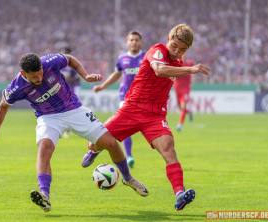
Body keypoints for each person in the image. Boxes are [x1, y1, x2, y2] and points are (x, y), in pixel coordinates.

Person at [0, 52, 148, 213]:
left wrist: (85, 76)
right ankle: (44, 195)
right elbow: (3, 106)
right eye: (34, 77)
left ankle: (127, 178)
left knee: (111, 143)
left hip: (74, 109)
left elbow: (70, 60)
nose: (39, 78)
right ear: (24, 73)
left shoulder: (49, 62)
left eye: (40, 74)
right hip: (48, 117)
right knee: (44, 148)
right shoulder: (17, 87)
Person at [82, 24, 210, 211]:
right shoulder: (156, 50)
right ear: (168, 40)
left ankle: (179, 194)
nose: (176, 52)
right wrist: (191, 70)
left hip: (155, 115)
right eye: (174, 46)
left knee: (169, 149)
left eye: (182, 49)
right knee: (94, 143)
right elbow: (158, 70)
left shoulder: (178, 63)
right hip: (131, 109)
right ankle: (94, 150)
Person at [85, 30, 145, 168]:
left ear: (140, 42)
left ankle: (98, 146)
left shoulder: (147, 58)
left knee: (141, 126)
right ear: (127, 42)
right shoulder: (122, 58)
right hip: (126, 97)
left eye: (136, 40)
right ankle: (128, 155)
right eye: (132, 40)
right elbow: (116, 74)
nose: (134, 42)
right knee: (126, 124)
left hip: (142, 99)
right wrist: (102, 86)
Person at [59, 47, 81, 138]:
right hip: (60, 91)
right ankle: (63, 129)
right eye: (62, 53)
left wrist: (68, 79)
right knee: (61, 110)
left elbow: (78, 78)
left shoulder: (72, 65)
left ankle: (68, 130)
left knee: (69, 110)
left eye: (65, 53)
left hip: (71, 91)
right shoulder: (58, 66)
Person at [173, 54, 194, 131]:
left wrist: (191, 82)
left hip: (186, 88)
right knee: (180, 108)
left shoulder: (190, 63)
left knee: (183, 107)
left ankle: (180, 124)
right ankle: (189, 111)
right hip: (177, 87)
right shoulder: (177, 63)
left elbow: (193, 74)